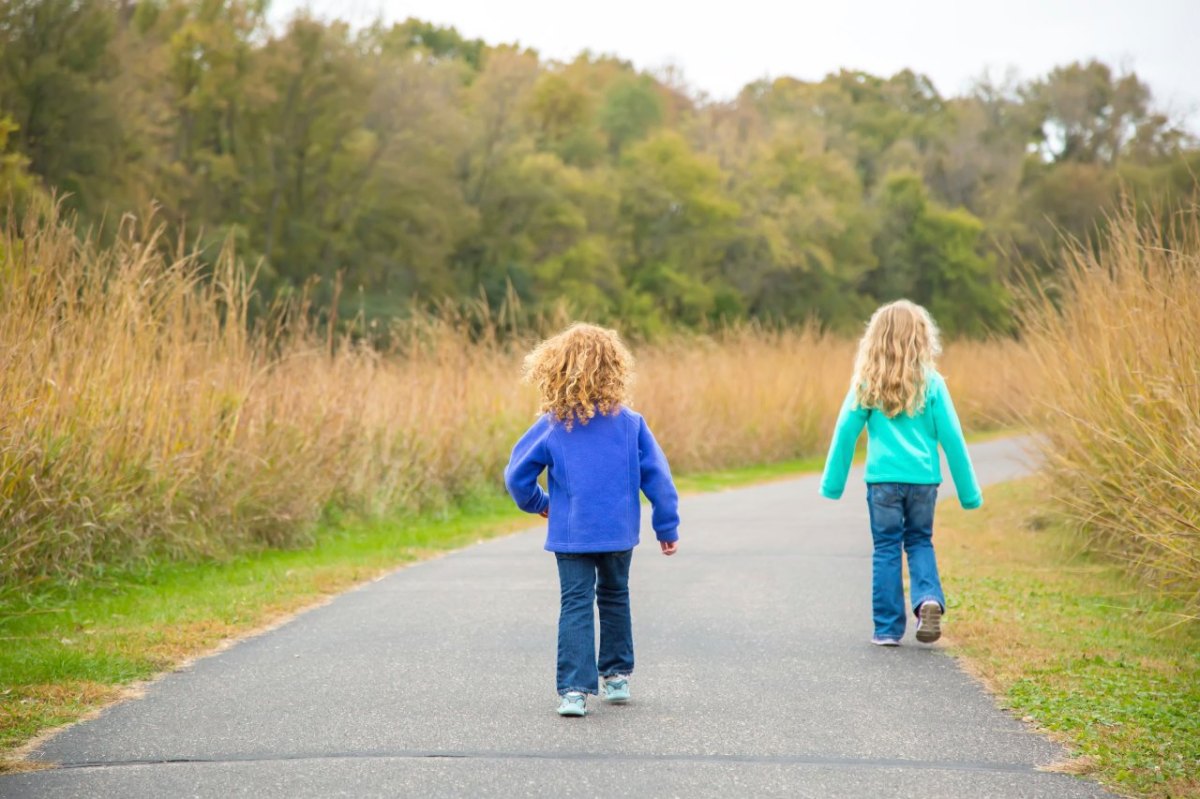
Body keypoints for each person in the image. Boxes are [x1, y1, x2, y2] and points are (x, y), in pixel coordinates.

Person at [504, 323, 680, 717]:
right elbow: (659, 479)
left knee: (576, 603)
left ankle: (573, 691)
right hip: (618, 533)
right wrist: (666, 526)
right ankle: (616, 677)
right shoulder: (631, 423)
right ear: (615, 368)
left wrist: (539, 502)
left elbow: (516, 475)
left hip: (572, 535)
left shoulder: (553, 424)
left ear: (555, 369)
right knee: (615, 597)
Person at [820, 300, 982, 646]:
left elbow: (845, 431)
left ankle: (888, 629)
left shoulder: (867, 383)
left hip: (882, 483)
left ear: (875, 339)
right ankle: (928, 600)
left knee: (887, 547)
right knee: (920, 540)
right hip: (923, 480)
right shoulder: (933, 384)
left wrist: (832, 484)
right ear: (922, 338)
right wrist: (969, 494)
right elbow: (953, 438)